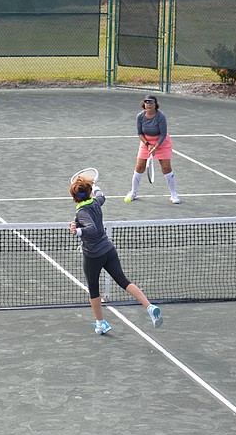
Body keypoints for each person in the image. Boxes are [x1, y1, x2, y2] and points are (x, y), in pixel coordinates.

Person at [69, 175, 163, 335]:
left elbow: (91, 228)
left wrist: (77, 230)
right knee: (123, 281)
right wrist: (96, 188)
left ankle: (101, 323)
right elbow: (101, 196)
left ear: (75, 196)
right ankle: (149, 306)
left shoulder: (82, 211)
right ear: (89, 191)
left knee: (93, 289)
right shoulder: (96, 202)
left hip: (93, 256)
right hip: (108, 250)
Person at [124, 94, 180, 204]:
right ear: (144, 104)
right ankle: (133, 192)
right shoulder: (140, 116)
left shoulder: (161, 116)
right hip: (146, 142)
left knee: (166, 168)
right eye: (146, 102)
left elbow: (163, 134)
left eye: (151, 102)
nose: (148, 104)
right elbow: (140, 133)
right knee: (139, 167)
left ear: (155, 105)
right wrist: (148, 145)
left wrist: (156, 147)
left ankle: (174, 194)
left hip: (162, 142)